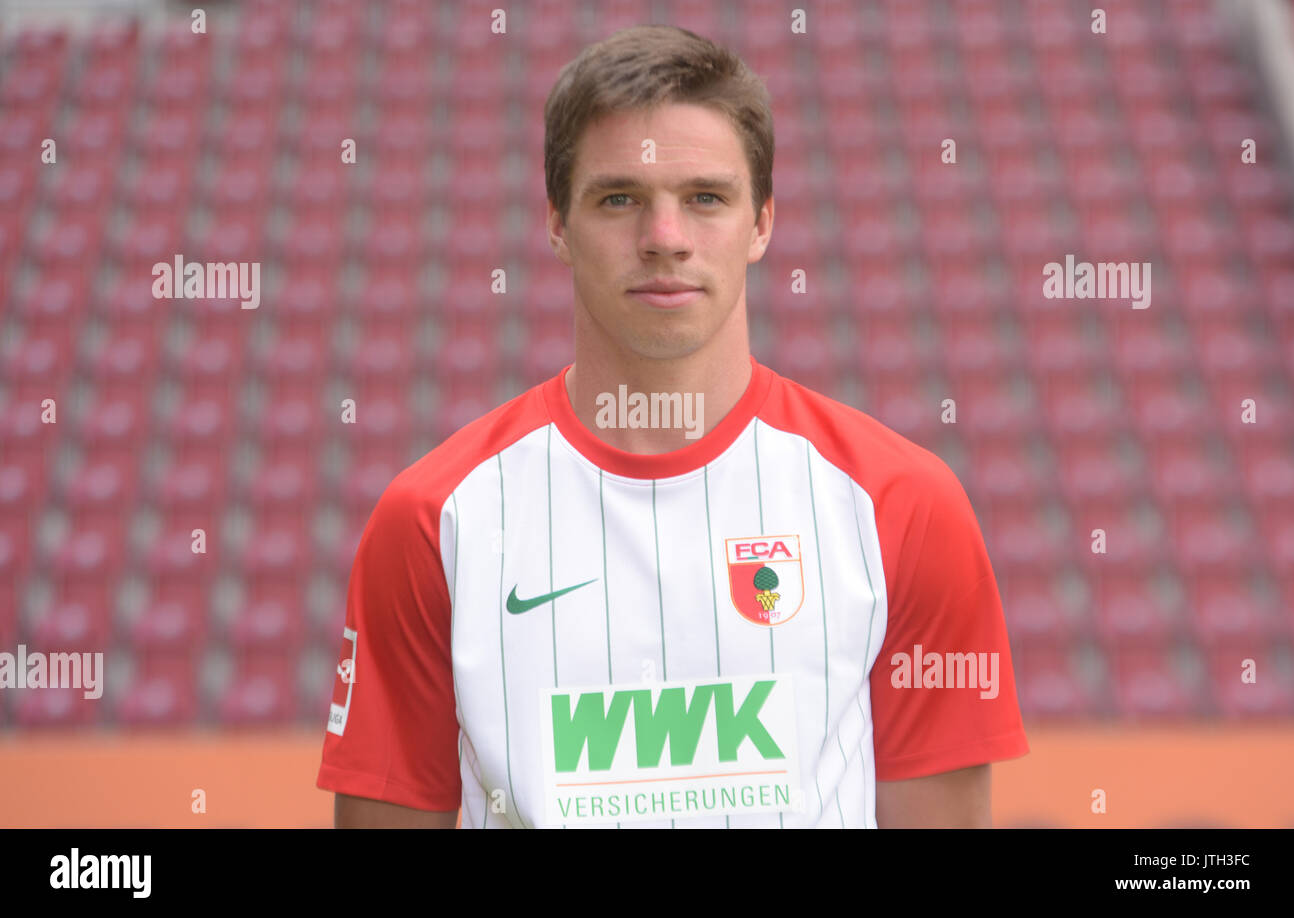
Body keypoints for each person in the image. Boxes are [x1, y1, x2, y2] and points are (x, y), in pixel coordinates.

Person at [317, 23, 1028, 829]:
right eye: (619, 199)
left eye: (706, 199)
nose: (664, 239)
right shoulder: (433, 520)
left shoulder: (905, 506)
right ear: (556, 223)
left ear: (762, 223)